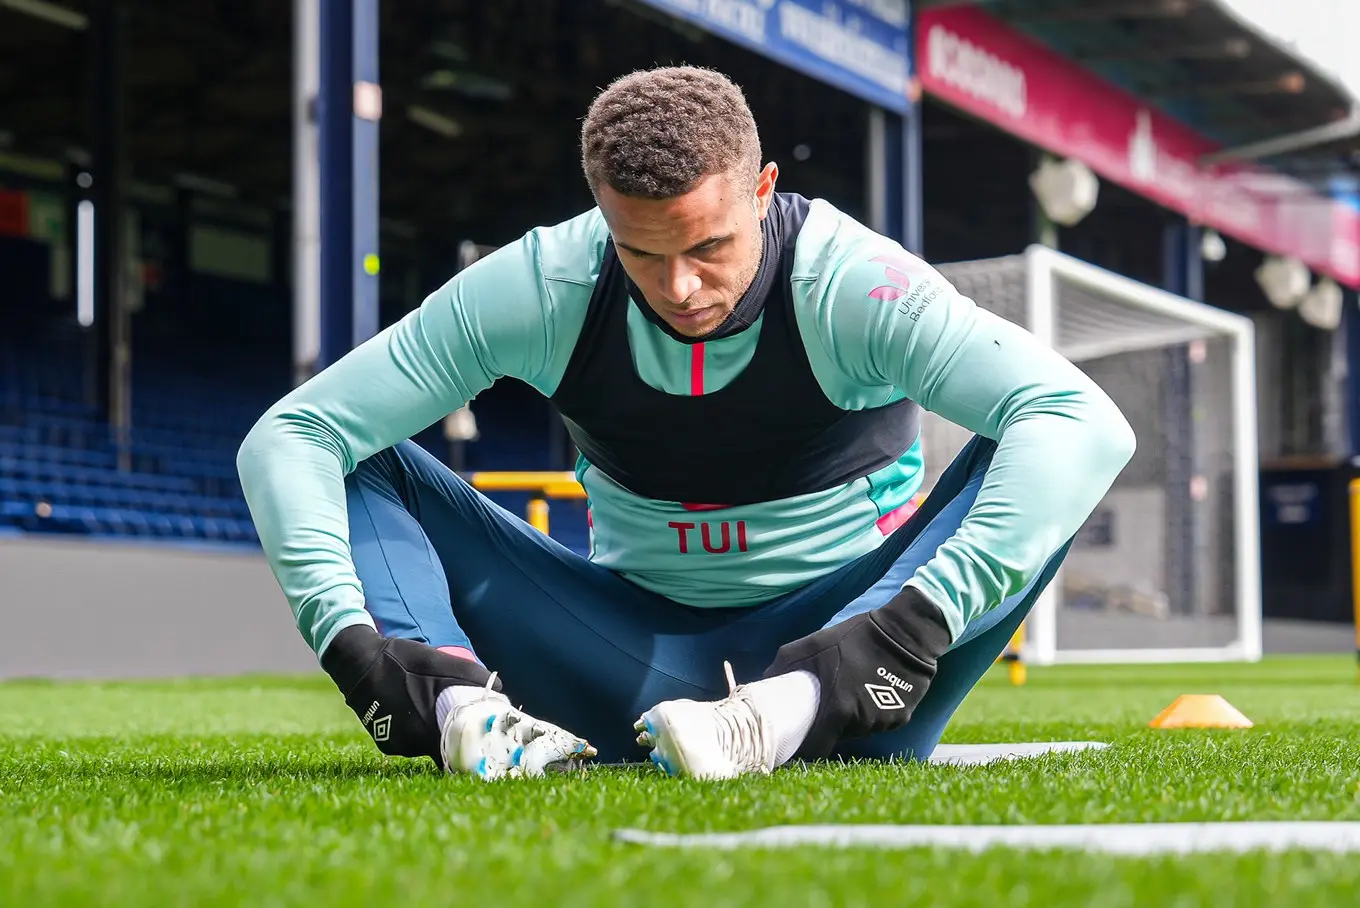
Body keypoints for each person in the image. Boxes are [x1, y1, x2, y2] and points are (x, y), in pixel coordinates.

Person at [237, 65, 1135, 781]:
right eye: (641, 252)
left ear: (763, 189)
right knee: (351, 451)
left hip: (853, 677)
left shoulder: (852, 283)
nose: (680, 288)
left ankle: (786, 714)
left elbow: (1085, 421)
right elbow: (292, 433)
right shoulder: (543, 282)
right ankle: (460, 715)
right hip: (623, 660)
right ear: (601, 216)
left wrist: (900, 635)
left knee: (1047, 434)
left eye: (709, 246)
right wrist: (354, 646)